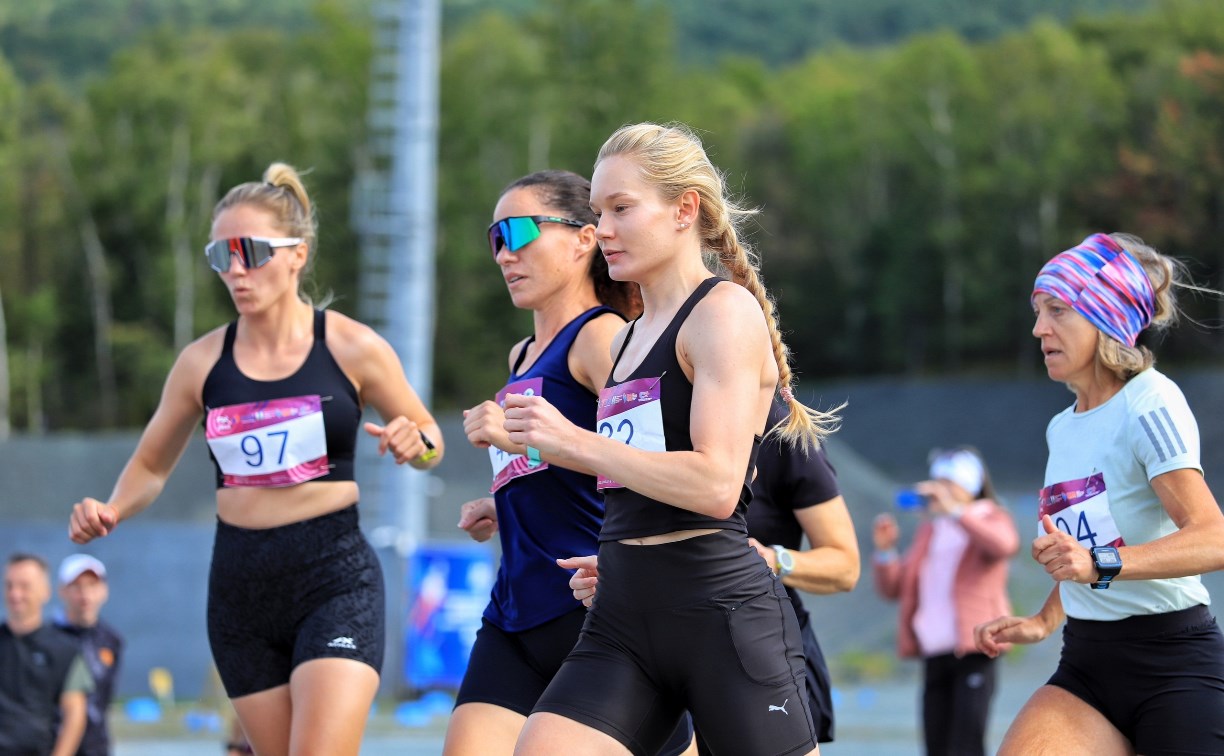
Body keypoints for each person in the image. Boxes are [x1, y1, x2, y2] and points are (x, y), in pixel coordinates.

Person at [67, 162, 444, 756]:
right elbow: (151, 467)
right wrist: (113, 508)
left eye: (251, 252)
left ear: (298, 255)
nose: (235, 270)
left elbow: (429, 439)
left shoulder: (352, 346)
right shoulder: (200, 363)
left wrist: (414, 443)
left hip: (334, 578)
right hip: (241, 590)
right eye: (221, 256)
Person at [504, 121, 839, 756]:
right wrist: (627, 551)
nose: (602, 229)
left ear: (685, 209)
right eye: (598, 211)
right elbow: (640, 475)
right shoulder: (629, 335)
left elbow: (717, 485)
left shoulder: (722, 311)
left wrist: (572, 442)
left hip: (720, 614)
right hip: (623, 614)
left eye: (621, 209)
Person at [975, 232, 1224, 755]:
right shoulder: (1062, 428)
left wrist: (1099, 564)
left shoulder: (1150, 403)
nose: (1039, 328)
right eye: (1038, 312)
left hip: (1173, 666)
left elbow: (1213, 538)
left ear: (1105, 318)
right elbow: (1084, 552)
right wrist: (1044, 620)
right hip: (1086, 665)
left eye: (1058, 310)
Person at [446, 168, 666, 755]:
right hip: (514, 614)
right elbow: (564, 472)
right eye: (495, 238)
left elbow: (653, 465)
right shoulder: (520, 354)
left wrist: (525, 442)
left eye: (518, 232)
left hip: (592, 608)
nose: (503, 254)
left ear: (583, 239)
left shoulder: (603, 338)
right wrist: (503, 501)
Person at [565, 398, 862, 751]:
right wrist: (621, 575)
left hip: (755, 653)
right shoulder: (648, 413)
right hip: (659, 653)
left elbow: (845, 566)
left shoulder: (777, 427)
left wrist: (772, 559)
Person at [871, 447, 1018, 756]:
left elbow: (1004, 545)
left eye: (948, 483)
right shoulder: (932, 529)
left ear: (969, 485)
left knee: (965, 745)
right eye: (937, 482)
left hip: (976, 646)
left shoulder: (990, 515)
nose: (939, 490)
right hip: (935, 650)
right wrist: (885, 552)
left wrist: (956, 511)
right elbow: (895, 589)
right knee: (936, 745)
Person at [1, 553, 93, 756]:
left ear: (45, 592)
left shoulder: (65, 649)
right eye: (9, 586)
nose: (15, 594)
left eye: (25, 586)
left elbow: (75, 714)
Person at [54, 555, 123, 756]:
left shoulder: (112, 641)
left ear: (104, 590)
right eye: (77, 586)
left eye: (92, 585)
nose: (85, 594)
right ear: (62, 591)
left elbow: (105, 699)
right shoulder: (49, 639)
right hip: (54, 745)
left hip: (96, 746)